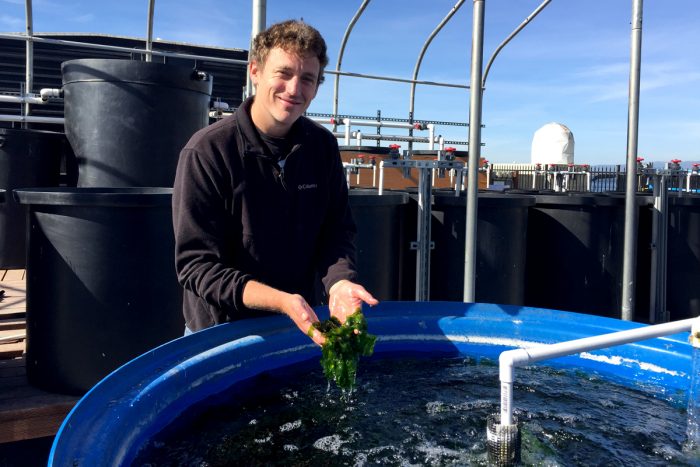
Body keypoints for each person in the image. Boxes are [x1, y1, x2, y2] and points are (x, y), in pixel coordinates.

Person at [172, 19, 378, 345]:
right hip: (221, 333)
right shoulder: (208, 151)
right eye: (283, 73)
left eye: (307, 79)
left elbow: (336, 231)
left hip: (296, 325)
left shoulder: (321, 147)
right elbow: (197, 266)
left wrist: (340, 283)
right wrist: (282, 300)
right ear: (255, 72)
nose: (295, 89)